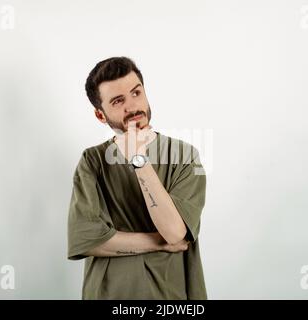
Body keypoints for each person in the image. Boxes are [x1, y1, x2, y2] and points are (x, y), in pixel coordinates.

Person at [67, 56, 207, 299]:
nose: (132, 106)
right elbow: (88, 241)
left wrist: (138, 159)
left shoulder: (184, 156)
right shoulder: (92, 161)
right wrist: (159, 243)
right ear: (101, 115)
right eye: (118, 100)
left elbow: (175, 233)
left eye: (136, 93)